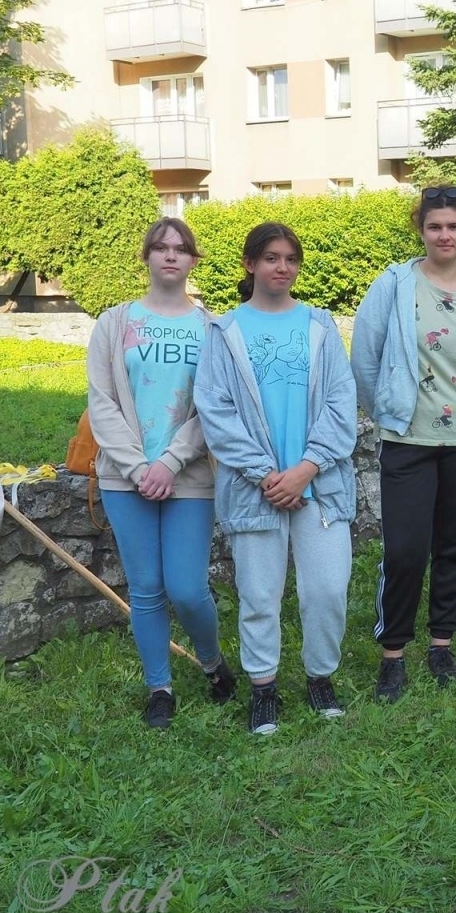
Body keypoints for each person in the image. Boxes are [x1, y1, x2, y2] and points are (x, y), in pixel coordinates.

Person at [194, 222, 359, 735]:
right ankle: (263, 688)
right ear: (250, 265)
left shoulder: (319, 326)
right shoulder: (225, 332)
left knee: (327, 588)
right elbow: (216, 411)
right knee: (259, 595)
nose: (282, 267)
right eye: (271, 258)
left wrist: (307, 467)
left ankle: (319, 677)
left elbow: (342, 401)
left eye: (290, 258)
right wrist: (267, 475)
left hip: (320, 485)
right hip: (256, 490)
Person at [86, 217, 233, 728]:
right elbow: (102, 402)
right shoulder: (114, 323)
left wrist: (169, 462)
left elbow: (215, 406)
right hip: (125, 478)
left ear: (193, 260)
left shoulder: (212, 329)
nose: (171, 255)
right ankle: (160, 688)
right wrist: (139, 467)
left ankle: (211, 661)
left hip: (188, 477)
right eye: (161, 247)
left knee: (188, 588)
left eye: (181, 248)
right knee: (146, 588)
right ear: (146, 256)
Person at [351, 186, 456, 703]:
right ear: (422, 230)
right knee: (406, 549)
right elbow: (364, 357)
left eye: (454, 226)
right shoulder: (394, 285)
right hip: (407, 438)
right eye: (435, 226)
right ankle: (393, 654)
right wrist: (386, 409)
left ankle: (441, 645)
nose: (444, 235)